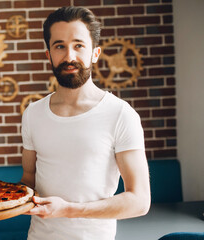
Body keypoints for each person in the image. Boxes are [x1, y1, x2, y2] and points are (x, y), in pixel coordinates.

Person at [20, 6, 151, 240]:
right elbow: (27, 183)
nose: (69, 56)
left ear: (95, 53)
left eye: (78, 45)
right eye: (59, 46)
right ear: (48, 55)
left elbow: (140, 201)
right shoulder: (33, 113)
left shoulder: (121, 114)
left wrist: (68, 209)